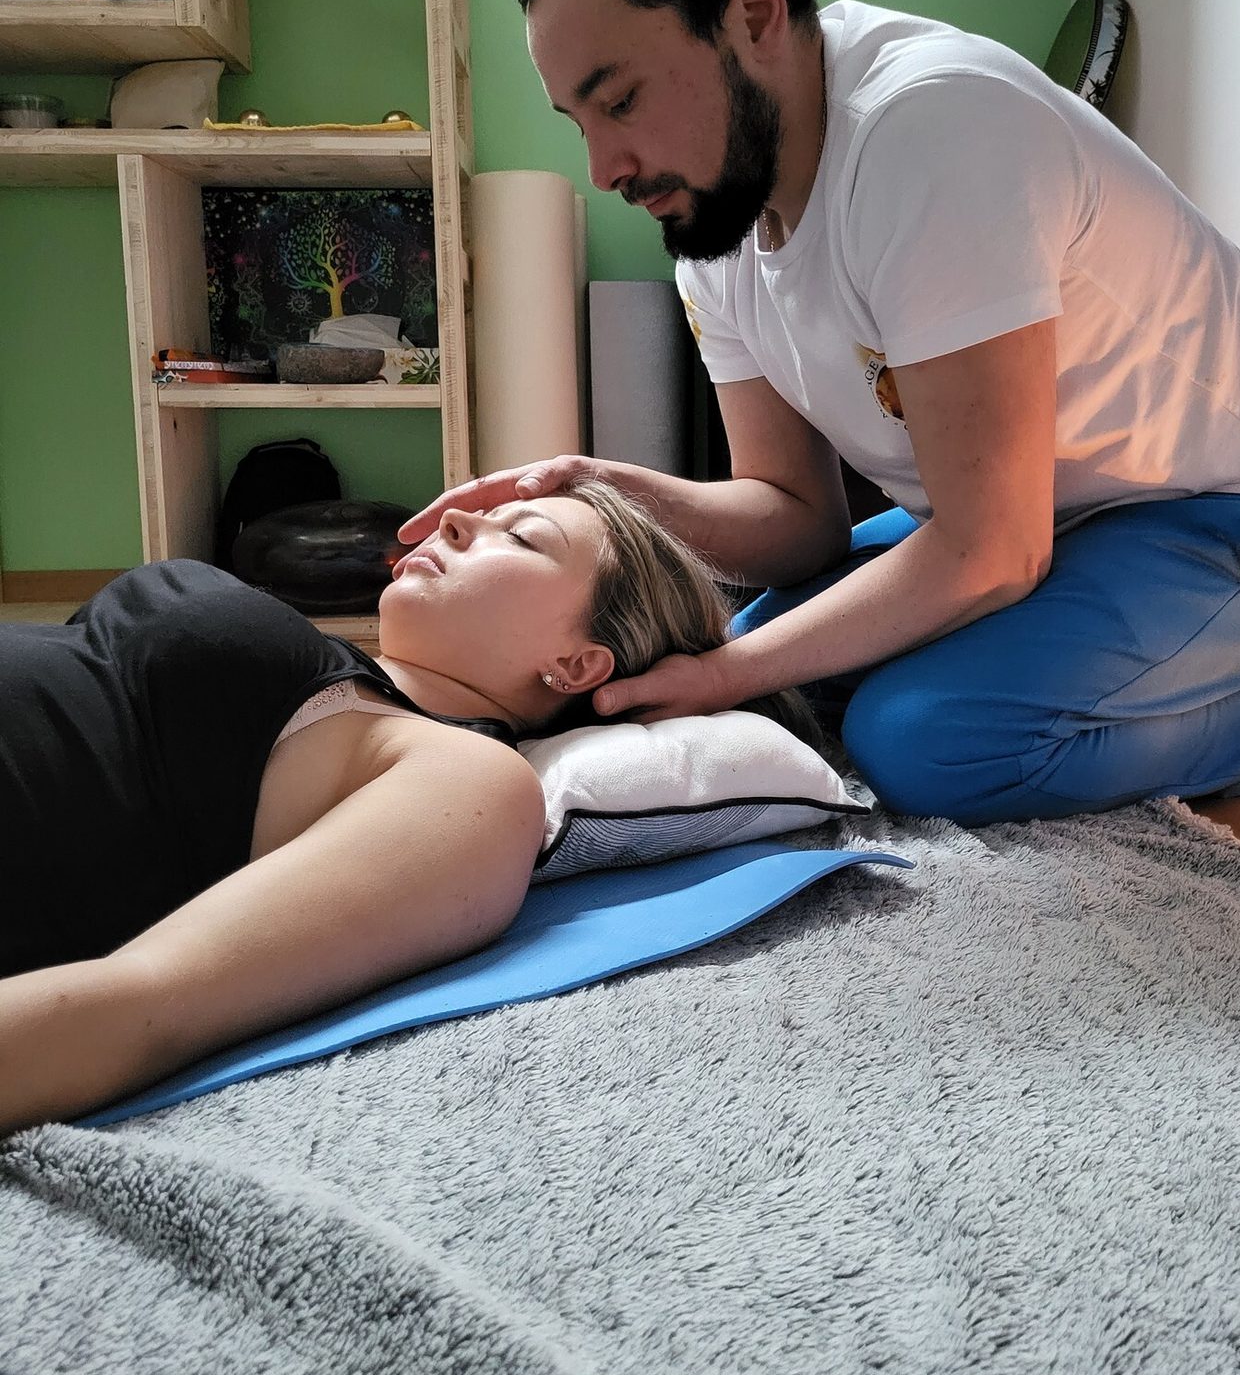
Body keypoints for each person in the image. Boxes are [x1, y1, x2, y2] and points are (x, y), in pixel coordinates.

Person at [401, 0, 1240, 830]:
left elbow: (990, 551)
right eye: (580, 120)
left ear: (750, 15)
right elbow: (796, 516)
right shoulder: (713, 223)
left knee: (925, 738)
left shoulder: (928, 134)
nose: (603, 164)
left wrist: (733, 669)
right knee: (757, 687)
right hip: (1043, 511)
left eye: (619, 100)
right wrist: (611, 486)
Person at [0, 480, 806, 1133]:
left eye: (519, 537)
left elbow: (148, 1000)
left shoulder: (472, 783)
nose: (453, 520)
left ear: (577, 663)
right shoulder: (339, 671)